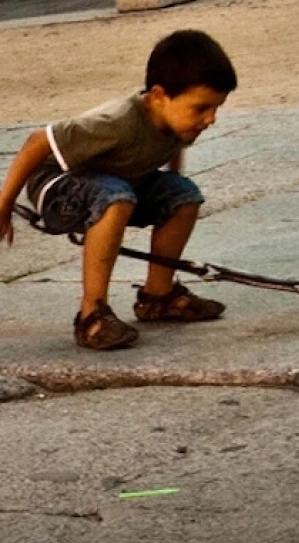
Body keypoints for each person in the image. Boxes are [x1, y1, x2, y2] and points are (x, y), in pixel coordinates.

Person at [0, 30, 238, 351]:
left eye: (216, 108)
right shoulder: (118, 122)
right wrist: (4, 204)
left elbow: (171, 148)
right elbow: (38, 141)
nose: (210, 119)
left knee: (184, 196)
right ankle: (92, 315)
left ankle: (158, 296)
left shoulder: (178, 121)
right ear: (158, 96)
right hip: (57, 188)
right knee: (115, 195)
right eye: (201, 108)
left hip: (118, 185)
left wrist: (168, 188)